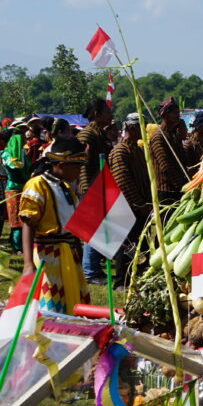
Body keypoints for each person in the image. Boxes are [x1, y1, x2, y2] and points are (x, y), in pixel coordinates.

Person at [19, 137, 89, 314]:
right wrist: (28, 264)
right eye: (77, 166)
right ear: (62, 164)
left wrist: (77, 250)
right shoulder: (37, 185)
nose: (79, 171)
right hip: (47, 256)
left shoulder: (65, 187)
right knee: (50, 306)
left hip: (69, 253)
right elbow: (28, 224)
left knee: (72, 302)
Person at [109, 113, 153, 288]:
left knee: (138, 244)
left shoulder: (136, 148)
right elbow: (123, 181)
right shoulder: (120, 151)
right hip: (127, 206)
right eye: (142, 126)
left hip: (140, 205)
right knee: (126, 245)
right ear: (133, 128)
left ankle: (135, 278)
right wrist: (139, 204)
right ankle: (122, 281)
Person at [75, 99, 113, 283]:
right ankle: (90, 271)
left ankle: (94, 268)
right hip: (90, 187)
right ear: (96, 114)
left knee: (99, 228)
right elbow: (82, 165)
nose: (110, 114)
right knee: (92, 230)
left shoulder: (98, 133)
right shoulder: (87, 135)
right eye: (107, 111)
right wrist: (88, 189)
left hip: (99, 185)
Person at [149, 98, 191, 206]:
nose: (178, 116)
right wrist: (180, 185)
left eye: (178, 113)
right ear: (165, 116)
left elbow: (182, 158)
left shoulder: (173, 135)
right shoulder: (158, 136)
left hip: (178, 188)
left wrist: (181, 133)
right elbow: (165, 166)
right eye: (174, 113)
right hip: (167, 190)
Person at [2, 121, 30, 253]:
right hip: (13, 189)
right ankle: (16, 246)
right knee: (15, 219)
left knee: (25, 217)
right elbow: (14, 167)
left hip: (24, 188)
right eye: (22, 137)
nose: (25, 139)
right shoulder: (7, 154)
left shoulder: (23, 153)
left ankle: (24, 244)